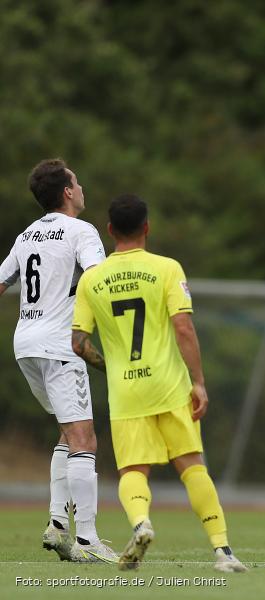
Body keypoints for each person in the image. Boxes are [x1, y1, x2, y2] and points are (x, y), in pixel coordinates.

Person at [71, 194, 247, 573]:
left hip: (126, 391)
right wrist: (198, 382)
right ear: (147, 227)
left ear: (109, 230)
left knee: (133, 470)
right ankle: (223, 551)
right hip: (169, 385)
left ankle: (141, 523)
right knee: (192, 467)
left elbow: (78, 343)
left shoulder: (91, 278)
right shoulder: (167, 268)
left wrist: (112, 367)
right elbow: (183, 327)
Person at [0, 158, 115, 563]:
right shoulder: (82, 231)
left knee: (68, 433)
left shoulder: (26, 235)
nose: (82, 188)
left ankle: (56, 524)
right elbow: (100, 281)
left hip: (25, 344)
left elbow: (1, 281)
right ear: (67, 192)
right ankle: (87, 539)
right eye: (77, 182)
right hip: (60, 346)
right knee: (85, 437)